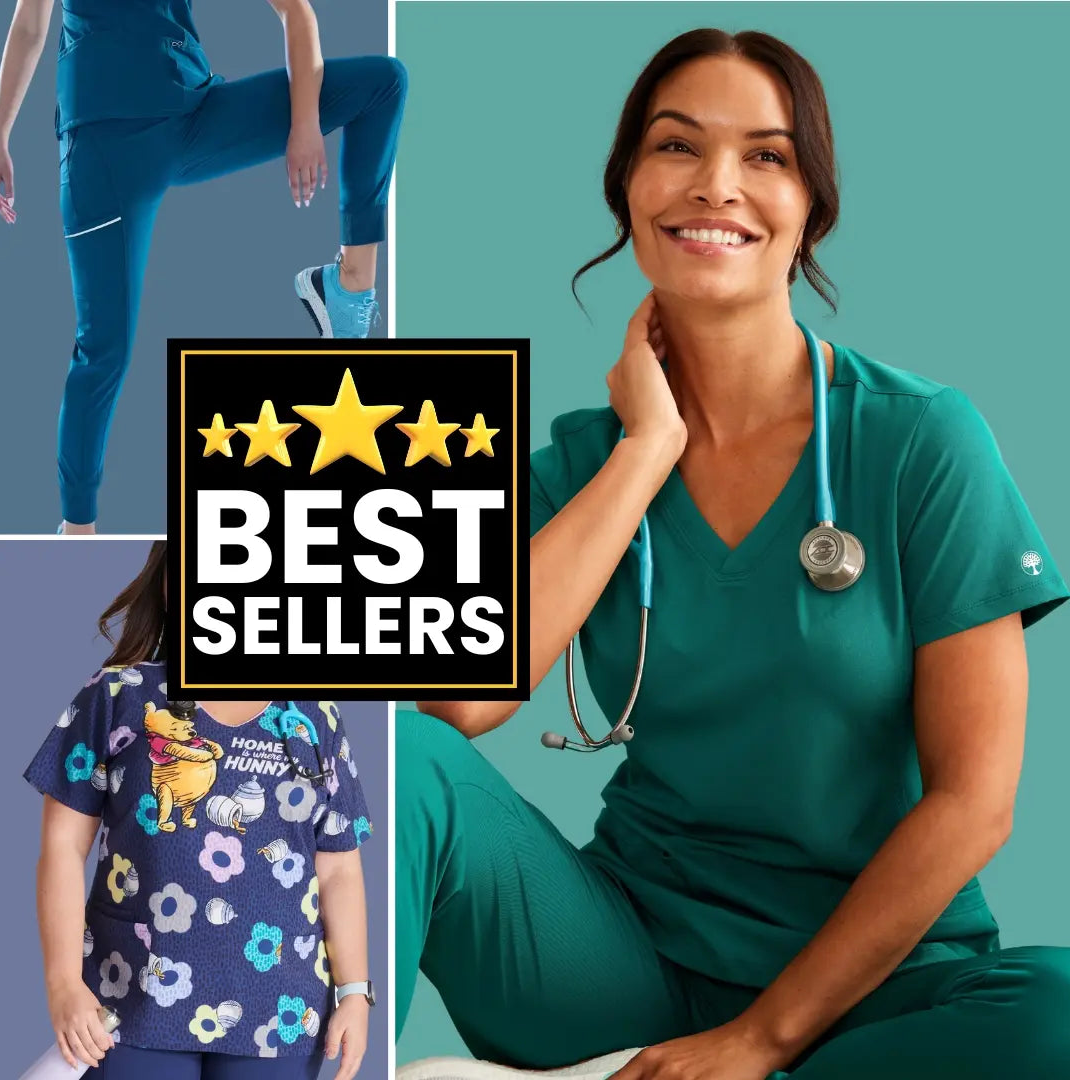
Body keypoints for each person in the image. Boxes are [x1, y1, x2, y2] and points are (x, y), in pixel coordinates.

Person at [394, 28, 1070, 1080]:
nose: (717, 186)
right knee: (386, 758)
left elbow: (975, 801)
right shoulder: (572, 466)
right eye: (676, 147)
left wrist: (759, 1040)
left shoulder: (920, 441)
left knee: (1059, 1013)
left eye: (767, 155)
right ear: (626, 186)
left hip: (879, 989)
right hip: (623, 968)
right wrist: (645, 451)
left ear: (811, 207)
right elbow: (464, 701)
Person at [0, 0, 407, 534]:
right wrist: (0, 132)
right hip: (104, 143)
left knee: (382, 83)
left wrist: (305, 122)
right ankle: (77, 531)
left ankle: (348, 291)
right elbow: (29, 25)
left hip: (196, 113)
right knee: (103, 348)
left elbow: (296, 11)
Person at [24, 541, 376, 1080]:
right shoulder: (117, 696)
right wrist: (63, 984)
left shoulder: (314, 719)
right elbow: (61, 849)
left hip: (280, 1017)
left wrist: (354, 992)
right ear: (172, 586)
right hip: (128, 1003)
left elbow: (339, 870)